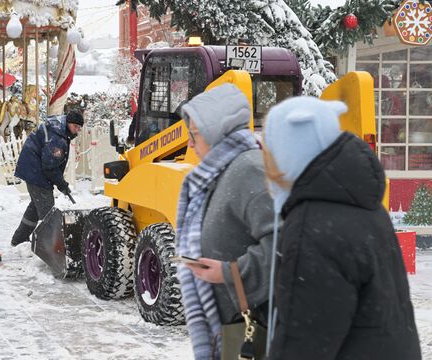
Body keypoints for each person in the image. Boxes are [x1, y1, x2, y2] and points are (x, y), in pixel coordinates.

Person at [262, 96, 421, 360]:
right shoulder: (360, 204)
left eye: (270, 149)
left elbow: (302, 343)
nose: (266, 161)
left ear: (292, 150)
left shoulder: (313, 227)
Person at [175, 83, 275, 360]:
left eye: (195, 135)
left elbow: (284, 244)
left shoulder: (250, 170)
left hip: (250, 332)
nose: (190, 144)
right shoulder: (218, 172)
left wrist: (230, 273)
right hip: (228, 330)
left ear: (216, 131)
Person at [11, 111, 83, 246]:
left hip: (33, 169)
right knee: (48, 212)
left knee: (36, 206)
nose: (77, 130)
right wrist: (62, 184)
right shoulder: (57, 138)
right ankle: (52, 249)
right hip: (35, 171)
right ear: (67, 123)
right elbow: (49, 166)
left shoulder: (59, 131)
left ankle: (19, 239)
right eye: (75, 126)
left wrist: (60, 183)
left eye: (79, 127)